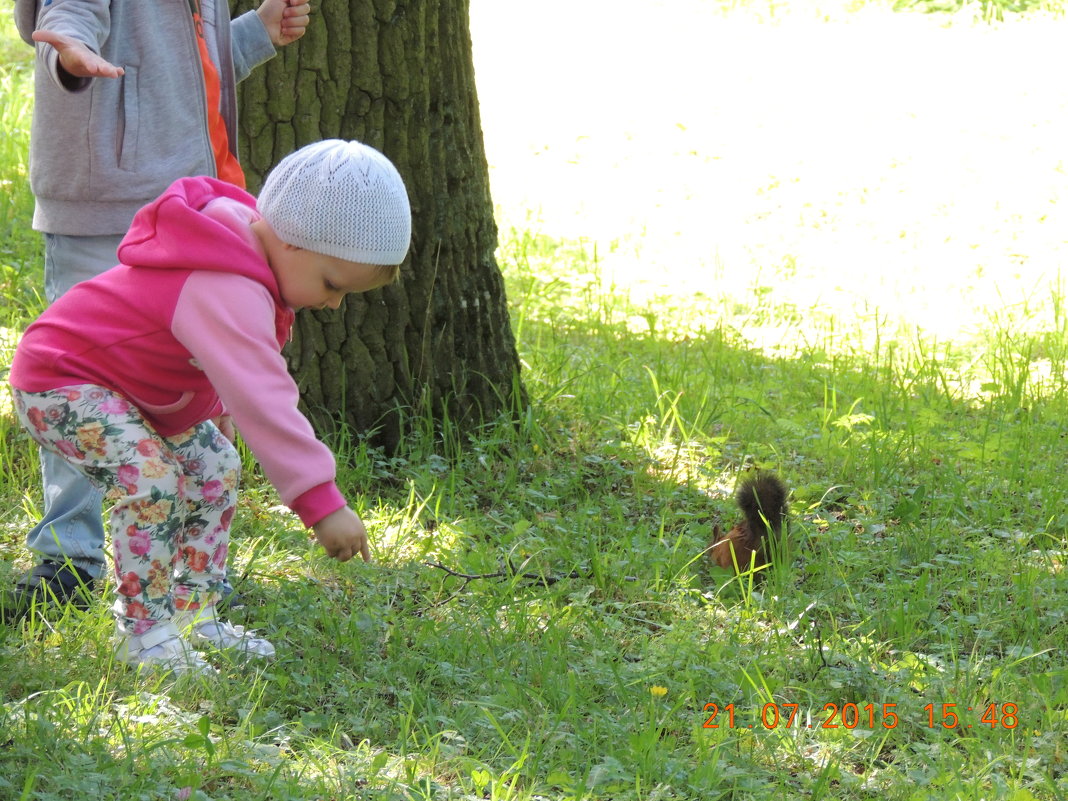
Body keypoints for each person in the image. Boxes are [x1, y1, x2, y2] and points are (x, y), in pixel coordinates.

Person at [8, 138, 412, 673]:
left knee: (215, 466)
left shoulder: (243, 256)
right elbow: (263, 395)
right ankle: (145, 635)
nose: (333, 303)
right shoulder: (226, 281)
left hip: (126, 387)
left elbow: (208, 353)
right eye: (333, 284)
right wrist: (322, 503)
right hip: (62, 380)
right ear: (291, 243)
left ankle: (193, 611)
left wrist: (206, 405)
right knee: (150, 480)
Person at [10, 0, 312, 611]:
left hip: (184, 217)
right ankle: (70, 556)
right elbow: (69, 15)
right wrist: (68, 49)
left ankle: (184, 573)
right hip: (101, 209)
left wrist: (253, 34)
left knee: (185, 391)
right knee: (80, 380)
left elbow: (187, 72)